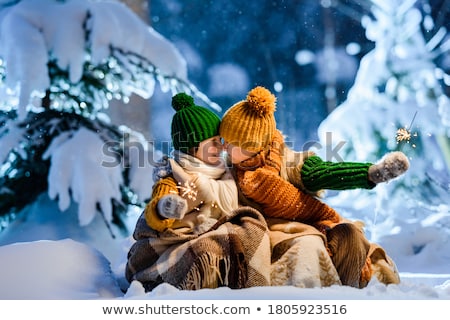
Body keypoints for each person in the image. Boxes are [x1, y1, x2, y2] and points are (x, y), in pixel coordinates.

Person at [219, 86, 406, 288]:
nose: (223, 148)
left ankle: (349, 291)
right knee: (306, 247)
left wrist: (370, 173)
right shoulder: (227, 171)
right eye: (223, 141)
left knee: (348, 235)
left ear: (253, 145)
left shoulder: (289, 162)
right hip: (267, 235)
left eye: (230, 144)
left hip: (305, 224)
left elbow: (325, 173)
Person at [125, 93, 271, 291]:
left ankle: (241, 281)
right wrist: (164, 207)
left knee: (249, 231)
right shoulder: (175, 174)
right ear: (193, 149)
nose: (221, 146)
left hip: (214, 227)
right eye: (213, 142)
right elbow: (156, 209)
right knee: (206, 249)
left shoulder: (224, 170)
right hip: (182, 235)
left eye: (219, 139)